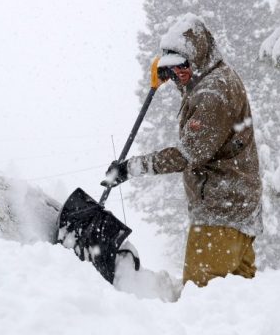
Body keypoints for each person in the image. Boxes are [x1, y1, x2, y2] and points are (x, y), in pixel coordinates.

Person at [102, 15, 263, 288]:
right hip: (236, 214)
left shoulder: (213, 92)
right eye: (171, 69)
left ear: (197, 59)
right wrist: (174, 77)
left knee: (203, 303)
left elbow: (187, 153)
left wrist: (131, 168)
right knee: (237, 303)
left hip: (219, 217)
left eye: (182, 67)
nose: (178, 75)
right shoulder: (213, 78)